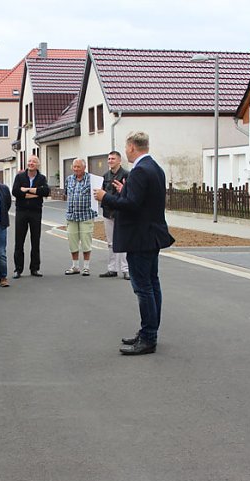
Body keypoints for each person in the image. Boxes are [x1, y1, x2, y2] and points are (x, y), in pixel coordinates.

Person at [94, 132, 174, 356]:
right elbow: (142, 199)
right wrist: (124, 190)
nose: (126, 150)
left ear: (131, 147)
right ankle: (149, 331)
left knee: (143, 288)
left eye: (126, 147)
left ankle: (148, 337)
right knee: (152, 283)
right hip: (151, 235)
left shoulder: (140, 170)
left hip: (140, 236)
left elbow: (132, 205)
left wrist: (105, 197)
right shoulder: (154, 167)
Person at [11, 155, 50, 278]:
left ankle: (35, 268)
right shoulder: (20, 176)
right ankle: (18, 269)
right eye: (29, 161)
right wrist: (35, 193)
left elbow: (46, 192)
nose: (31, 163)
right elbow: (15, 191)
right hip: (22, 211)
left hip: (35, 212)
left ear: (38, 164)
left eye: (34, 161)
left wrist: (27, 190)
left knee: (35, 241)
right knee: (19, 241)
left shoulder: (41, 178)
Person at [100, 151, 130, 279]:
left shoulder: (126, 175)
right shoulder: (105, 176)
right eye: (109, 159)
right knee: (110, 242)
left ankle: (126, 269)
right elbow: (102, 193)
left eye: (113, 159)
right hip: (108, 212)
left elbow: (128, 194)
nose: (110, 161)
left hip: (121, 212)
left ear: (119, 161)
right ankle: (112, 269)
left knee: (123, 240)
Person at [64, 158, 97, 276]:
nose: (76, 169)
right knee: (72, 241)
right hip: (71, 215)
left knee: (86, 241)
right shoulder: (69, 179)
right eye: (74, 167)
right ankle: (75, 266)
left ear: (84, 167)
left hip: (86, 215)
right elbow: (66, 194)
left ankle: (86, 267)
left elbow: (96, 195)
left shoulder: (91, 179)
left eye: (79, 167)